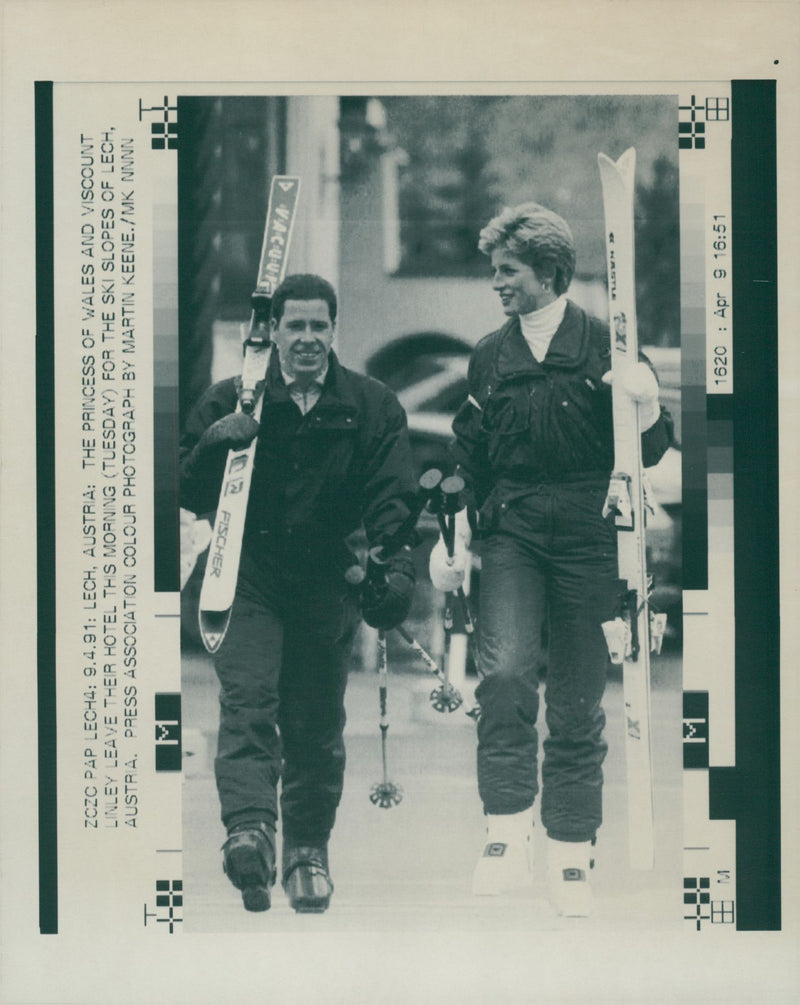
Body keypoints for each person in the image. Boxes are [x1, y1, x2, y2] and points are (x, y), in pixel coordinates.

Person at [429, 203, 672, 916]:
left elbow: (653, 451)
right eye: (493, 270)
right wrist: (451, 537)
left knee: (575, 699)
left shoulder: (609, 346)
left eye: (507, 271)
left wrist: (647, 404)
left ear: (549, 273)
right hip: (512, 530)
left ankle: (570, 849)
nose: (496, 283)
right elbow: (466, 456)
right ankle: (506, 832)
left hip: (592, 531)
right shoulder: (489, 354)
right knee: (503, 674)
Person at [180, 273, 418, 914]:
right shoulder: (236, 398)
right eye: (296, 325)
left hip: (324, 581)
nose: (307, 338)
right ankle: (249, 832)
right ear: (274, 332)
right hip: (246, 573)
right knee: (250, 701)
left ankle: (307, 850)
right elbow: (183, 487)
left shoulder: (369, 404)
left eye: (319, 326)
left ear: (333, 331)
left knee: (315, 725)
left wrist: (394, 569)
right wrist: (212, 446)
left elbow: (392, 496)